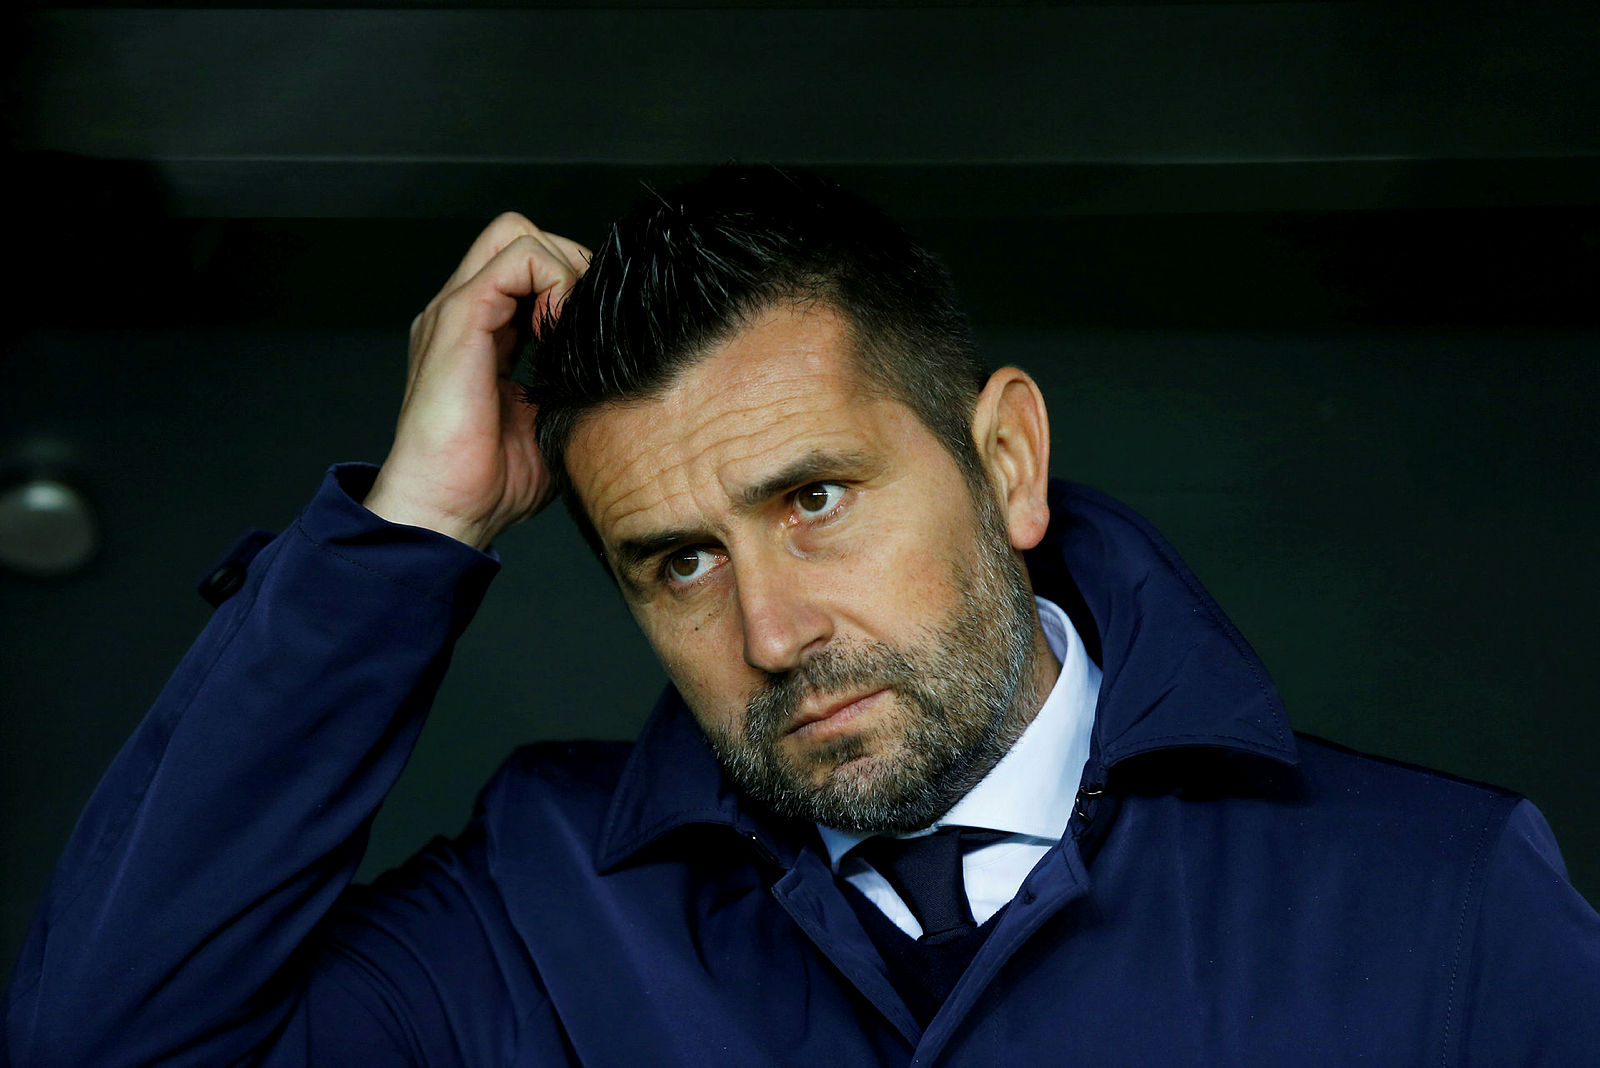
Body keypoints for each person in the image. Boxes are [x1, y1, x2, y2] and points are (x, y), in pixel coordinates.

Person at [6, 167, 1599, 1065]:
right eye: (678, 563)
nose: (770, 633)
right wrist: (401, 539)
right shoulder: (537, 916)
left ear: (1006, 460)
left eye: (814, 499)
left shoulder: (1438, 900)